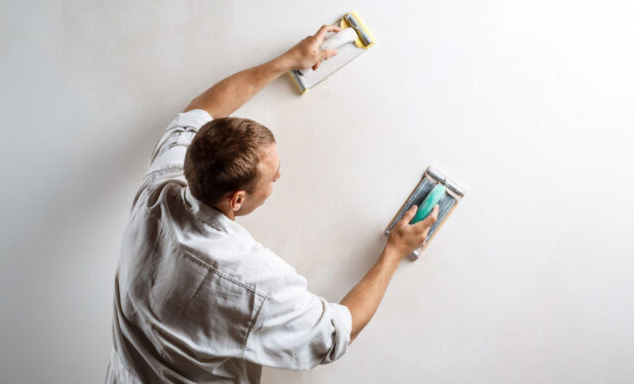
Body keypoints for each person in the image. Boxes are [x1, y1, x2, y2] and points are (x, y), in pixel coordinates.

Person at [106, 24, 440, 384]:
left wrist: (288, 61)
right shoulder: (249, 281)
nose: (279, 178)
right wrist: (394, 251)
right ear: (237, 199)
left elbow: (200, 110)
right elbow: (336, 334)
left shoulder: (161, 185)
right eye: (273, 176)